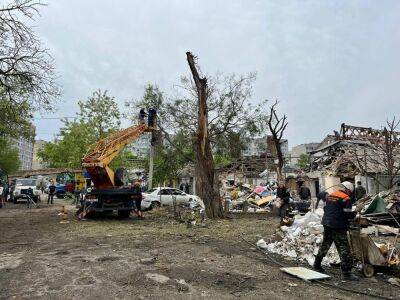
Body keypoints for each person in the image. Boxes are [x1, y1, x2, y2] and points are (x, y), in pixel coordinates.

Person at [314, 181, 358, 281]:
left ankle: (316, 264)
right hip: (338, 225)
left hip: (327, 223)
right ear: (347, 190)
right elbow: (348, 215)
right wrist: (355, 213)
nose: (350, 193)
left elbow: (327, 208)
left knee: (326, 243)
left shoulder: (331, 195)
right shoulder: (346, 198)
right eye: (350, 191)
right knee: (344, 248)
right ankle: (346, 273)